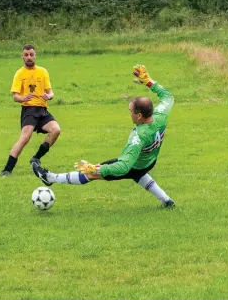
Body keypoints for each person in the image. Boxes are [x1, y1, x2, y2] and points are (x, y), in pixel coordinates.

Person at [32, 64, 174, 207]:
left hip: (134, 165)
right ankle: (167, 201)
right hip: (149, 161)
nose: (129, 113)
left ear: (139, 115)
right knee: (139, 174)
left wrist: (97, 169)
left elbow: (123, 167)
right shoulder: (160, 115)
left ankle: (50, 177)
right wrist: (148, 80)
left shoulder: (139, 137)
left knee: (91, 174)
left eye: (130, 111)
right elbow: (168, 97)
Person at [0, 44, 61, 176]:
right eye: (26, 55)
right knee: (25, 138)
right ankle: (7, 170)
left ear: (35, 56)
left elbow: (51, 93)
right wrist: (23, 98)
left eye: (31, 54)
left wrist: (48, 96)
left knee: (56, 130)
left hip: (43, 110)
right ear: (22, 56)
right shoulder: (20, 73)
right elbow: (15, 96)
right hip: (29, 110)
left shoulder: (43, 71)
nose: (29, 57)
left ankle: (36, 158)